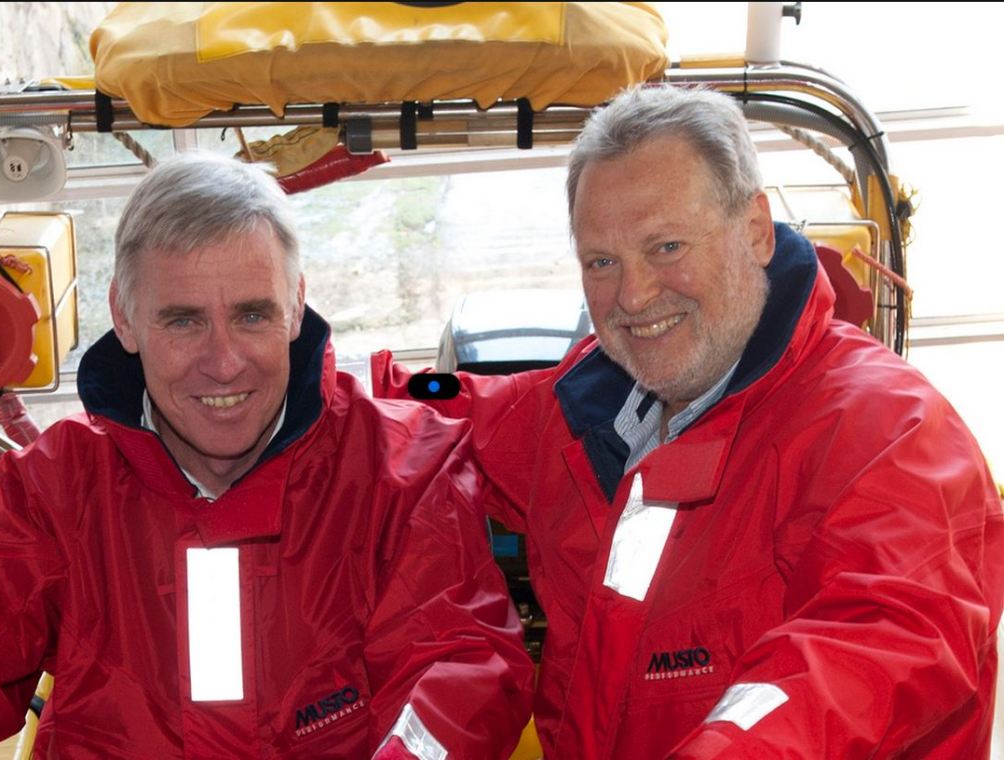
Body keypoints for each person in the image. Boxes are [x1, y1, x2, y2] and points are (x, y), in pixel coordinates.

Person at [372, 85, 1004, 758]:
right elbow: (471, 400)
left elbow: (867, 651)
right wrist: (357, 390)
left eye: (667, 246)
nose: (634, 296)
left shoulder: (889, 432)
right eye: (602, 262)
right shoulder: (598, 398)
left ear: (756, 229)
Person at [0, 152, 534, 759]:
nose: (223, 363)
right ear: (124, 317)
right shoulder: (58, 491)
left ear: (296, 307)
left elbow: (456, 668)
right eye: (183, 320)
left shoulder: (402, 472)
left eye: (251, 315)